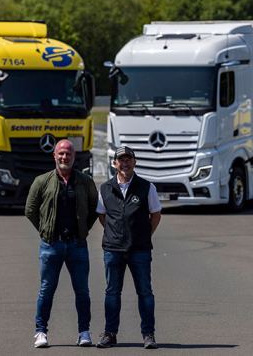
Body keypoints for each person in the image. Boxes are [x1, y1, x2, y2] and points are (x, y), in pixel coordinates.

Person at [25, 139, 99, 348]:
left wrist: (84, 229)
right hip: (51, 245)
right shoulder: (42, 181)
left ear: (74, 157)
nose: (64, 157)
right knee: (46, 290)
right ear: (54, 156)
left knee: (82, 291)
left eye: (68, 154)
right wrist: (45, 229)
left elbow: (95, 209)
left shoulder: (85, 182)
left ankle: (84, 332)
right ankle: (40, 332)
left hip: (77, 245)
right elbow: (30, 209)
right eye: (61, 154)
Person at [96, 146, 162, 349]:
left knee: (145, 292)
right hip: (113, 249)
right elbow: (102, 215)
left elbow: (156, 214)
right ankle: (110, 333)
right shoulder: (106, 188)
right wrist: (116, 233)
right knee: (112, 292)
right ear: (114, 164)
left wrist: (143, 234)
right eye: (121, 160)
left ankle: (148, 334)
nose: (124, 163)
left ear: (134, 162)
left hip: (139, 249)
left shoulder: (146, 187)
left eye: (128, 159)